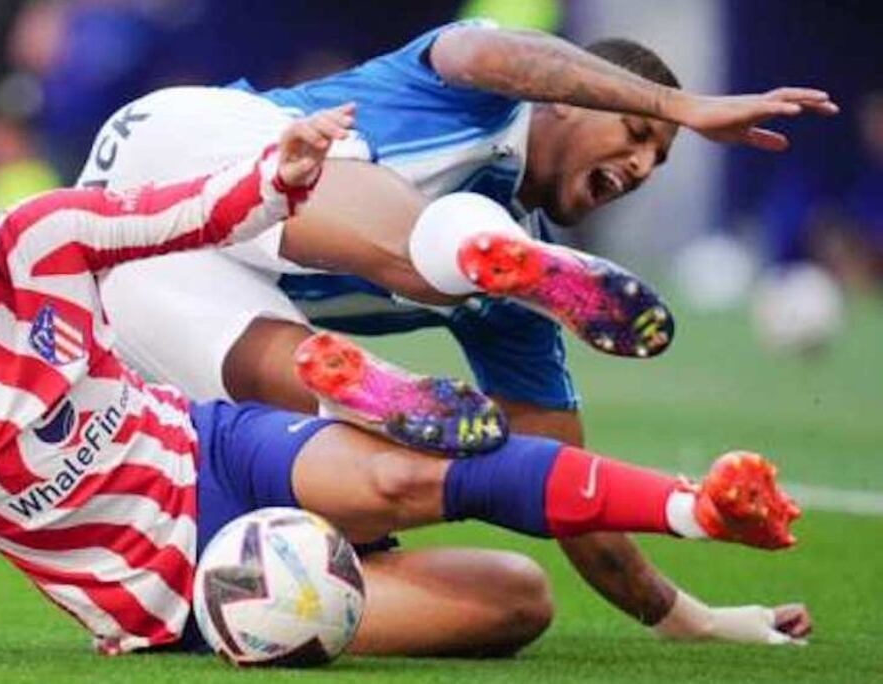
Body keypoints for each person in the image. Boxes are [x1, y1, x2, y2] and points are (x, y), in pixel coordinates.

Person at [0, 107, 804, 665]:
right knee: (516, 604)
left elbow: (182, 211)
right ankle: (314, 480)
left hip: (210, 446)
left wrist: (278, 175)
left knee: (405, 473)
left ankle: (696, 507)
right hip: (177, 591)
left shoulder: (42, 235)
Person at [75, 20, 834, 644]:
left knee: (505, 590)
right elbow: (485, 50)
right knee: (426, 258)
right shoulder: (476, 95)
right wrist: (677, 103)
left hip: (158, 286)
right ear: (562, 100)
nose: (641, 163)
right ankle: (460, 257)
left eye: (657, 159)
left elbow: (562, 474)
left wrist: (690, 620)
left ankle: (361, 391)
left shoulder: (520, 315)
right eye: (636, 132)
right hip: (180, 156)